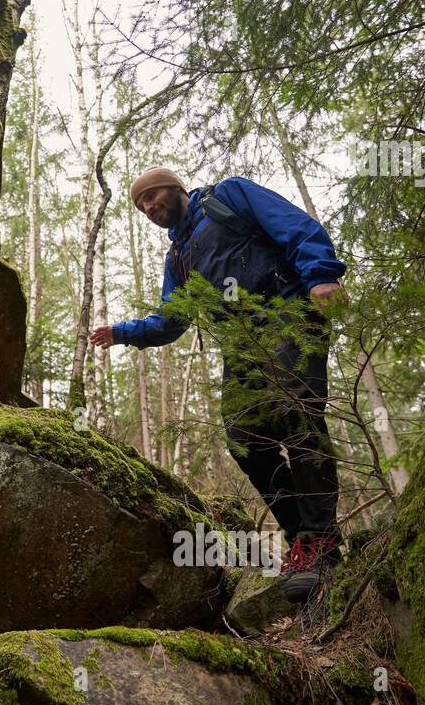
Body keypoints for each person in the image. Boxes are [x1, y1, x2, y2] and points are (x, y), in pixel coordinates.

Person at [90, 166, 349, 603]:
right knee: (245, 438)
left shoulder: (228, 196)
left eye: (153, 196)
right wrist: (123, 332)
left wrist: (322, 274)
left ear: (175, 188)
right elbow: (171, 318)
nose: (150, 208)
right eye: (142, 206)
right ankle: (302, 539)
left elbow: (293, 225)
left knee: (299, 417)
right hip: (242, 347)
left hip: (288, 314)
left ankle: (320, 541)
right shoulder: (178, 258)